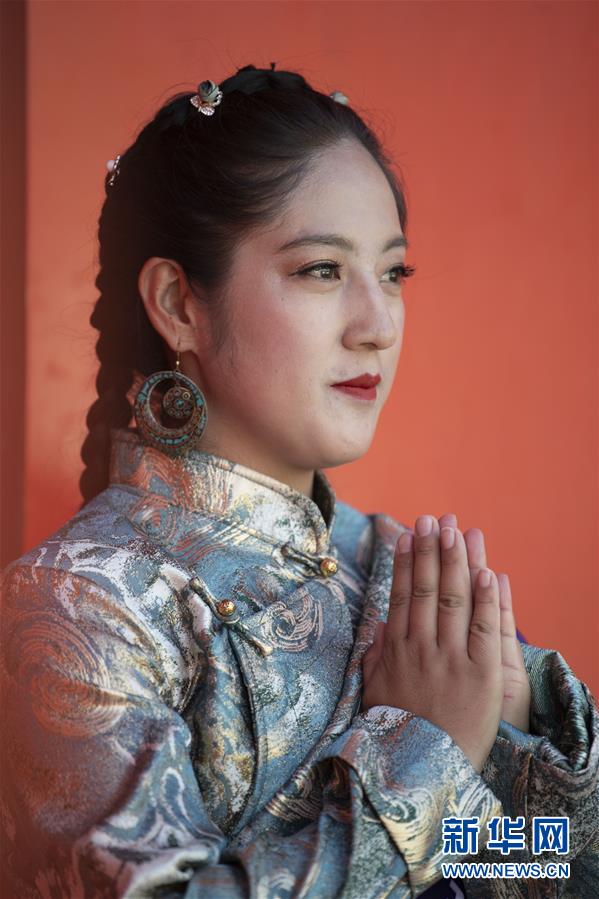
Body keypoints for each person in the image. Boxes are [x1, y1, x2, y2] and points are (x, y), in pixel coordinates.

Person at [0, 63, 597, 899]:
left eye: (393, 273)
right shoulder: (78, 605)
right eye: (321, 269)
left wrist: (510, 738)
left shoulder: (406, 577)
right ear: (178, 303)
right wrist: (422, 751)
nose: (377, 324)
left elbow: (538, 869)